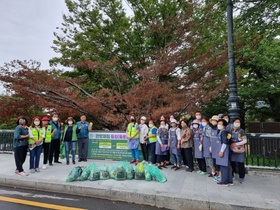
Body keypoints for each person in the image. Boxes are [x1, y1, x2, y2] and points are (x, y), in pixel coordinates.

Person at [216, 119, 233, 186]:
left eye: (220, 124)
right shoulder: (224, 132)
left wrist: (221, 151)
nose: (219, 125)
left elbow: (224, 142)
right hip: (226, 150)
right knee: (227, 165)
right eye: (218, 123)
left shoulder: (223, 132)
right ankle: (229, 180)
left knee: (224, 166)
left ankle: (224, 181)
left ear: (224, 125)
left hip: (224, 150)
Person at [230, 118, 247, 183]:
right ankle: (232, 174)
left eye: (238, 122)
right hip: (232, 149)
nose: (237, 123)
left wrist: (236, 144)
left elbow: (245, 140)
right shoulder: (231, 130)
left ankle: (241, 176)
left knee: (240, 163)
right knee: (232, 162)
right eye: (236, 122)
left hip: (239, 149)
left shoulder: (241, 131)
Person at [209, 115, 220, 181]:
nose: (213, 122)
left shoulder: (219, 129)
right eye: (212, 121)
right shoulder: (212, 128)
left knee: (219, 161)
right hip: (212, 147)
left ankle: (219, 174)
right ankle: (215, 172)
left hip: (218, 147)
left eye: (214, 121)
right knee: (214, 161)